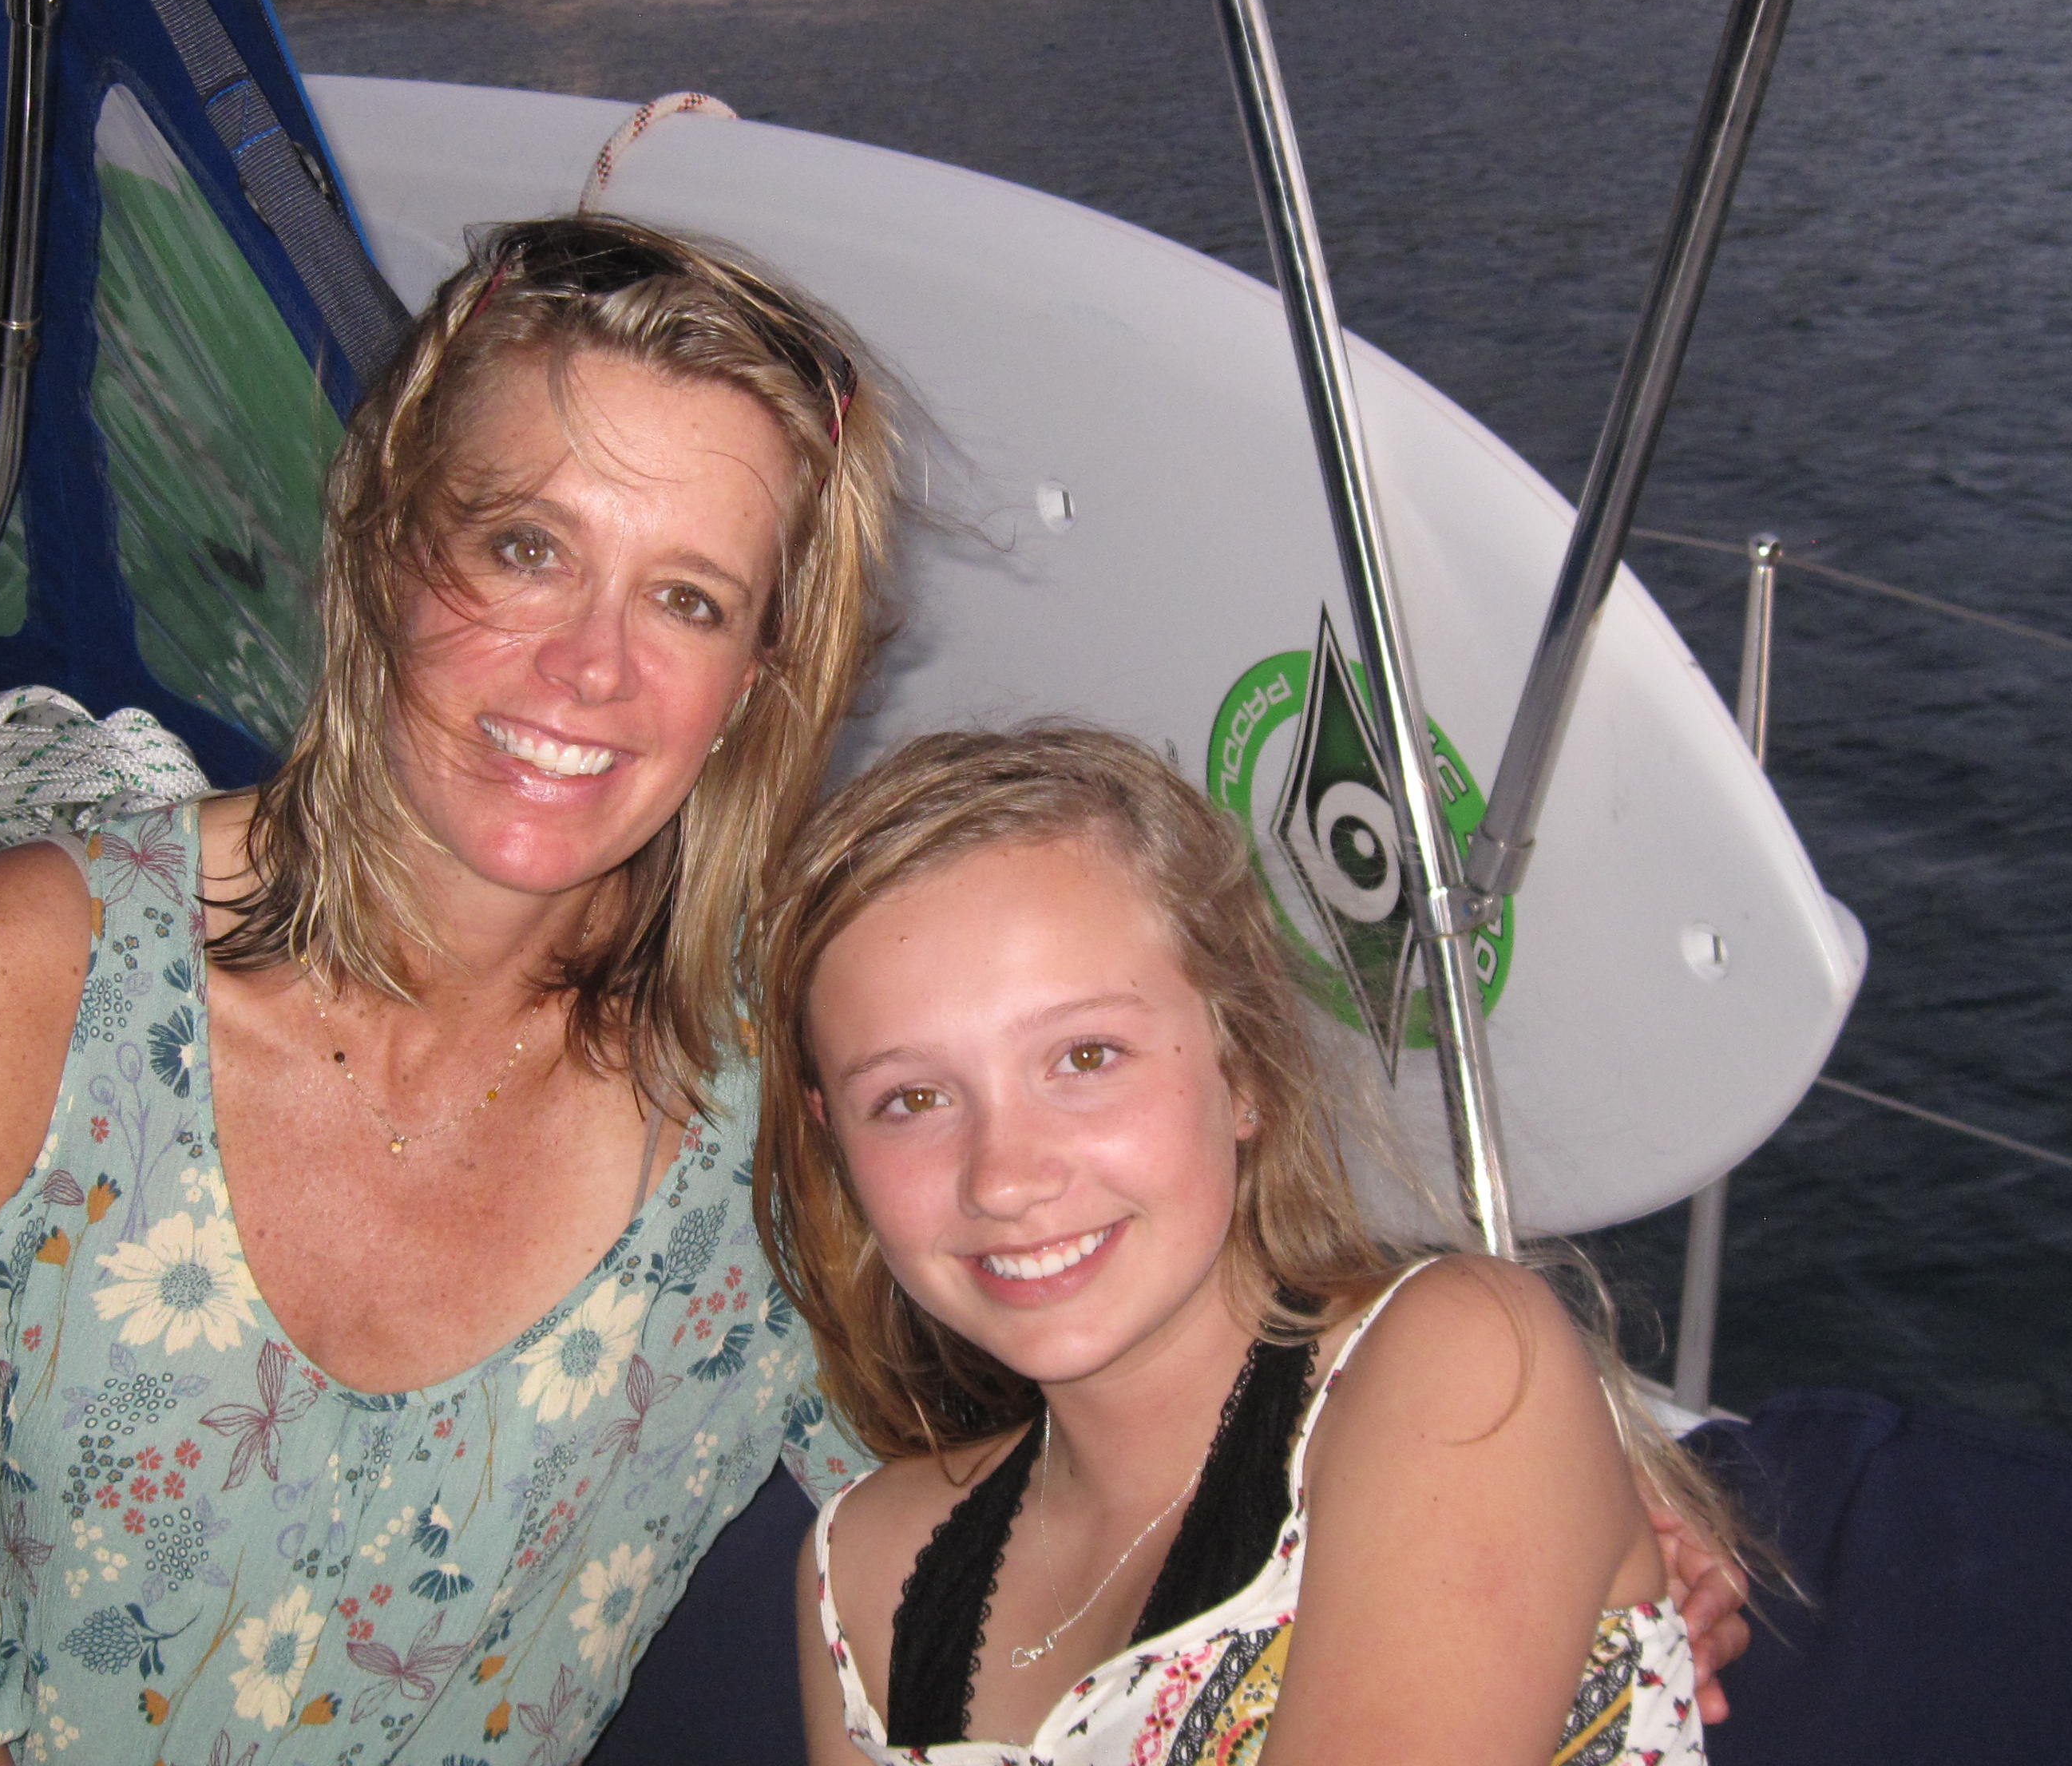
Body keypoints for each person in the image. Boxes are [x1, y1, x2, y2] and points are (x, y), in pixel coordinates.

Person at [0, 218, 1743, 1766]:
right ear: (385, 549)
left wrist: (1581, 1479)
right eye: (523, 549)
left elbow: (1099, 1358)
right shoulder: (36, 974)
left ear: (763, 679)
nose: (589, 670)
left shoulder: (764, 1103)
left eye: (686, 598)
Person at [755, 725, 1761, 1765]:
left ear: (1243, 1067)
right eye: (912, 1100)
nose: (1003, 1178)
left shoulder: (1461, 1365)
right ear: (837, 1143)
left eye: (1086, 1057)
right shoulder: (863, 1573)